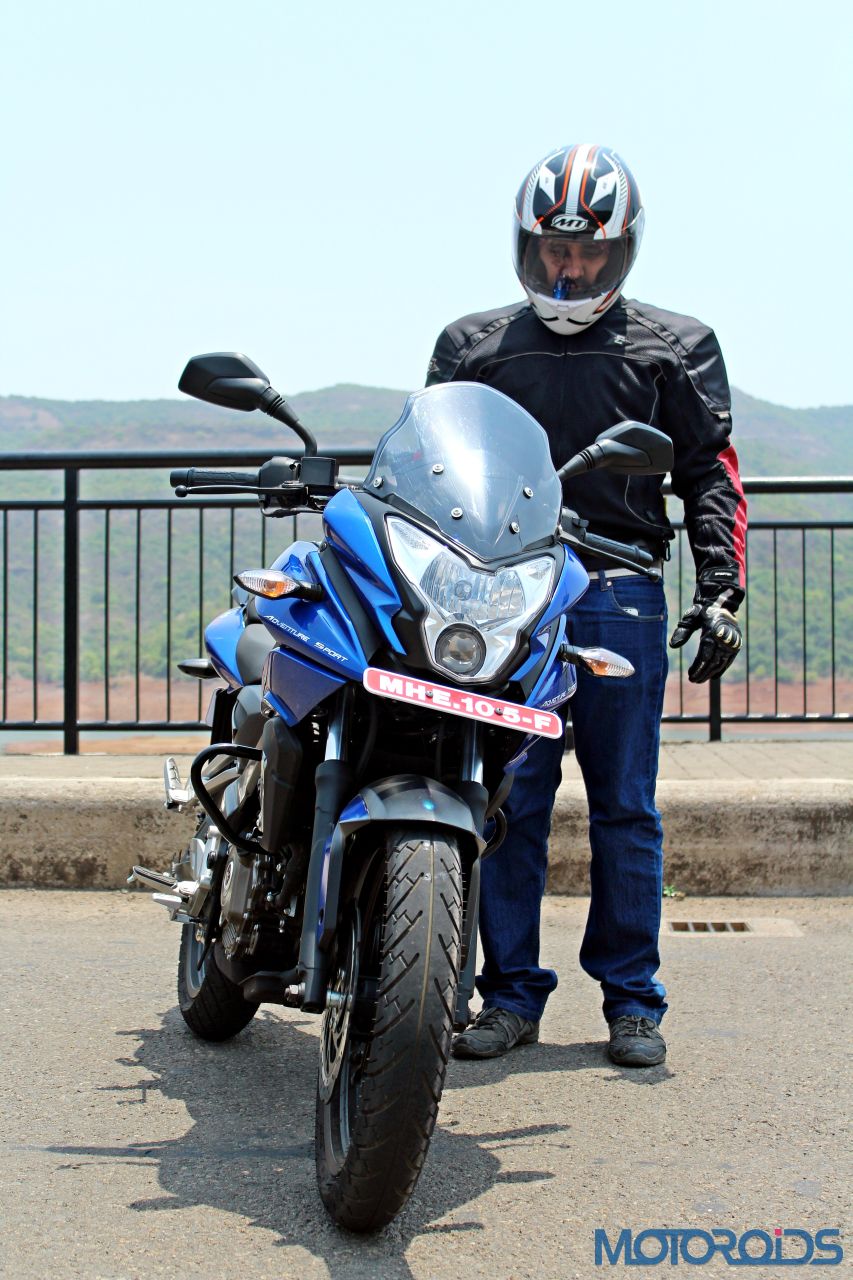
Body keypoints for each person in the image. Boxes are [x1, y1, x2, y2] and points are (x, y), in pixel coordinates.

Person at [426, 143, 746, 1067]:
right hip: (505, 595)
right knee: (507, 798)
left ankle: (632, 1003)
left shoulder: (675, 344)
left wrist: (720, 589)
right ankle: (509, 996)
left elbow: (708, 473)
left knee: (623, 806)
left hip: (619, 589)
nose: (569, 268)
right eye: (553, 249)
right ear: (525, 245)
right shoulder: (471, 344)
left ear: (622, 249)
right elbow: (434, 462)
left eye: (589, 252)